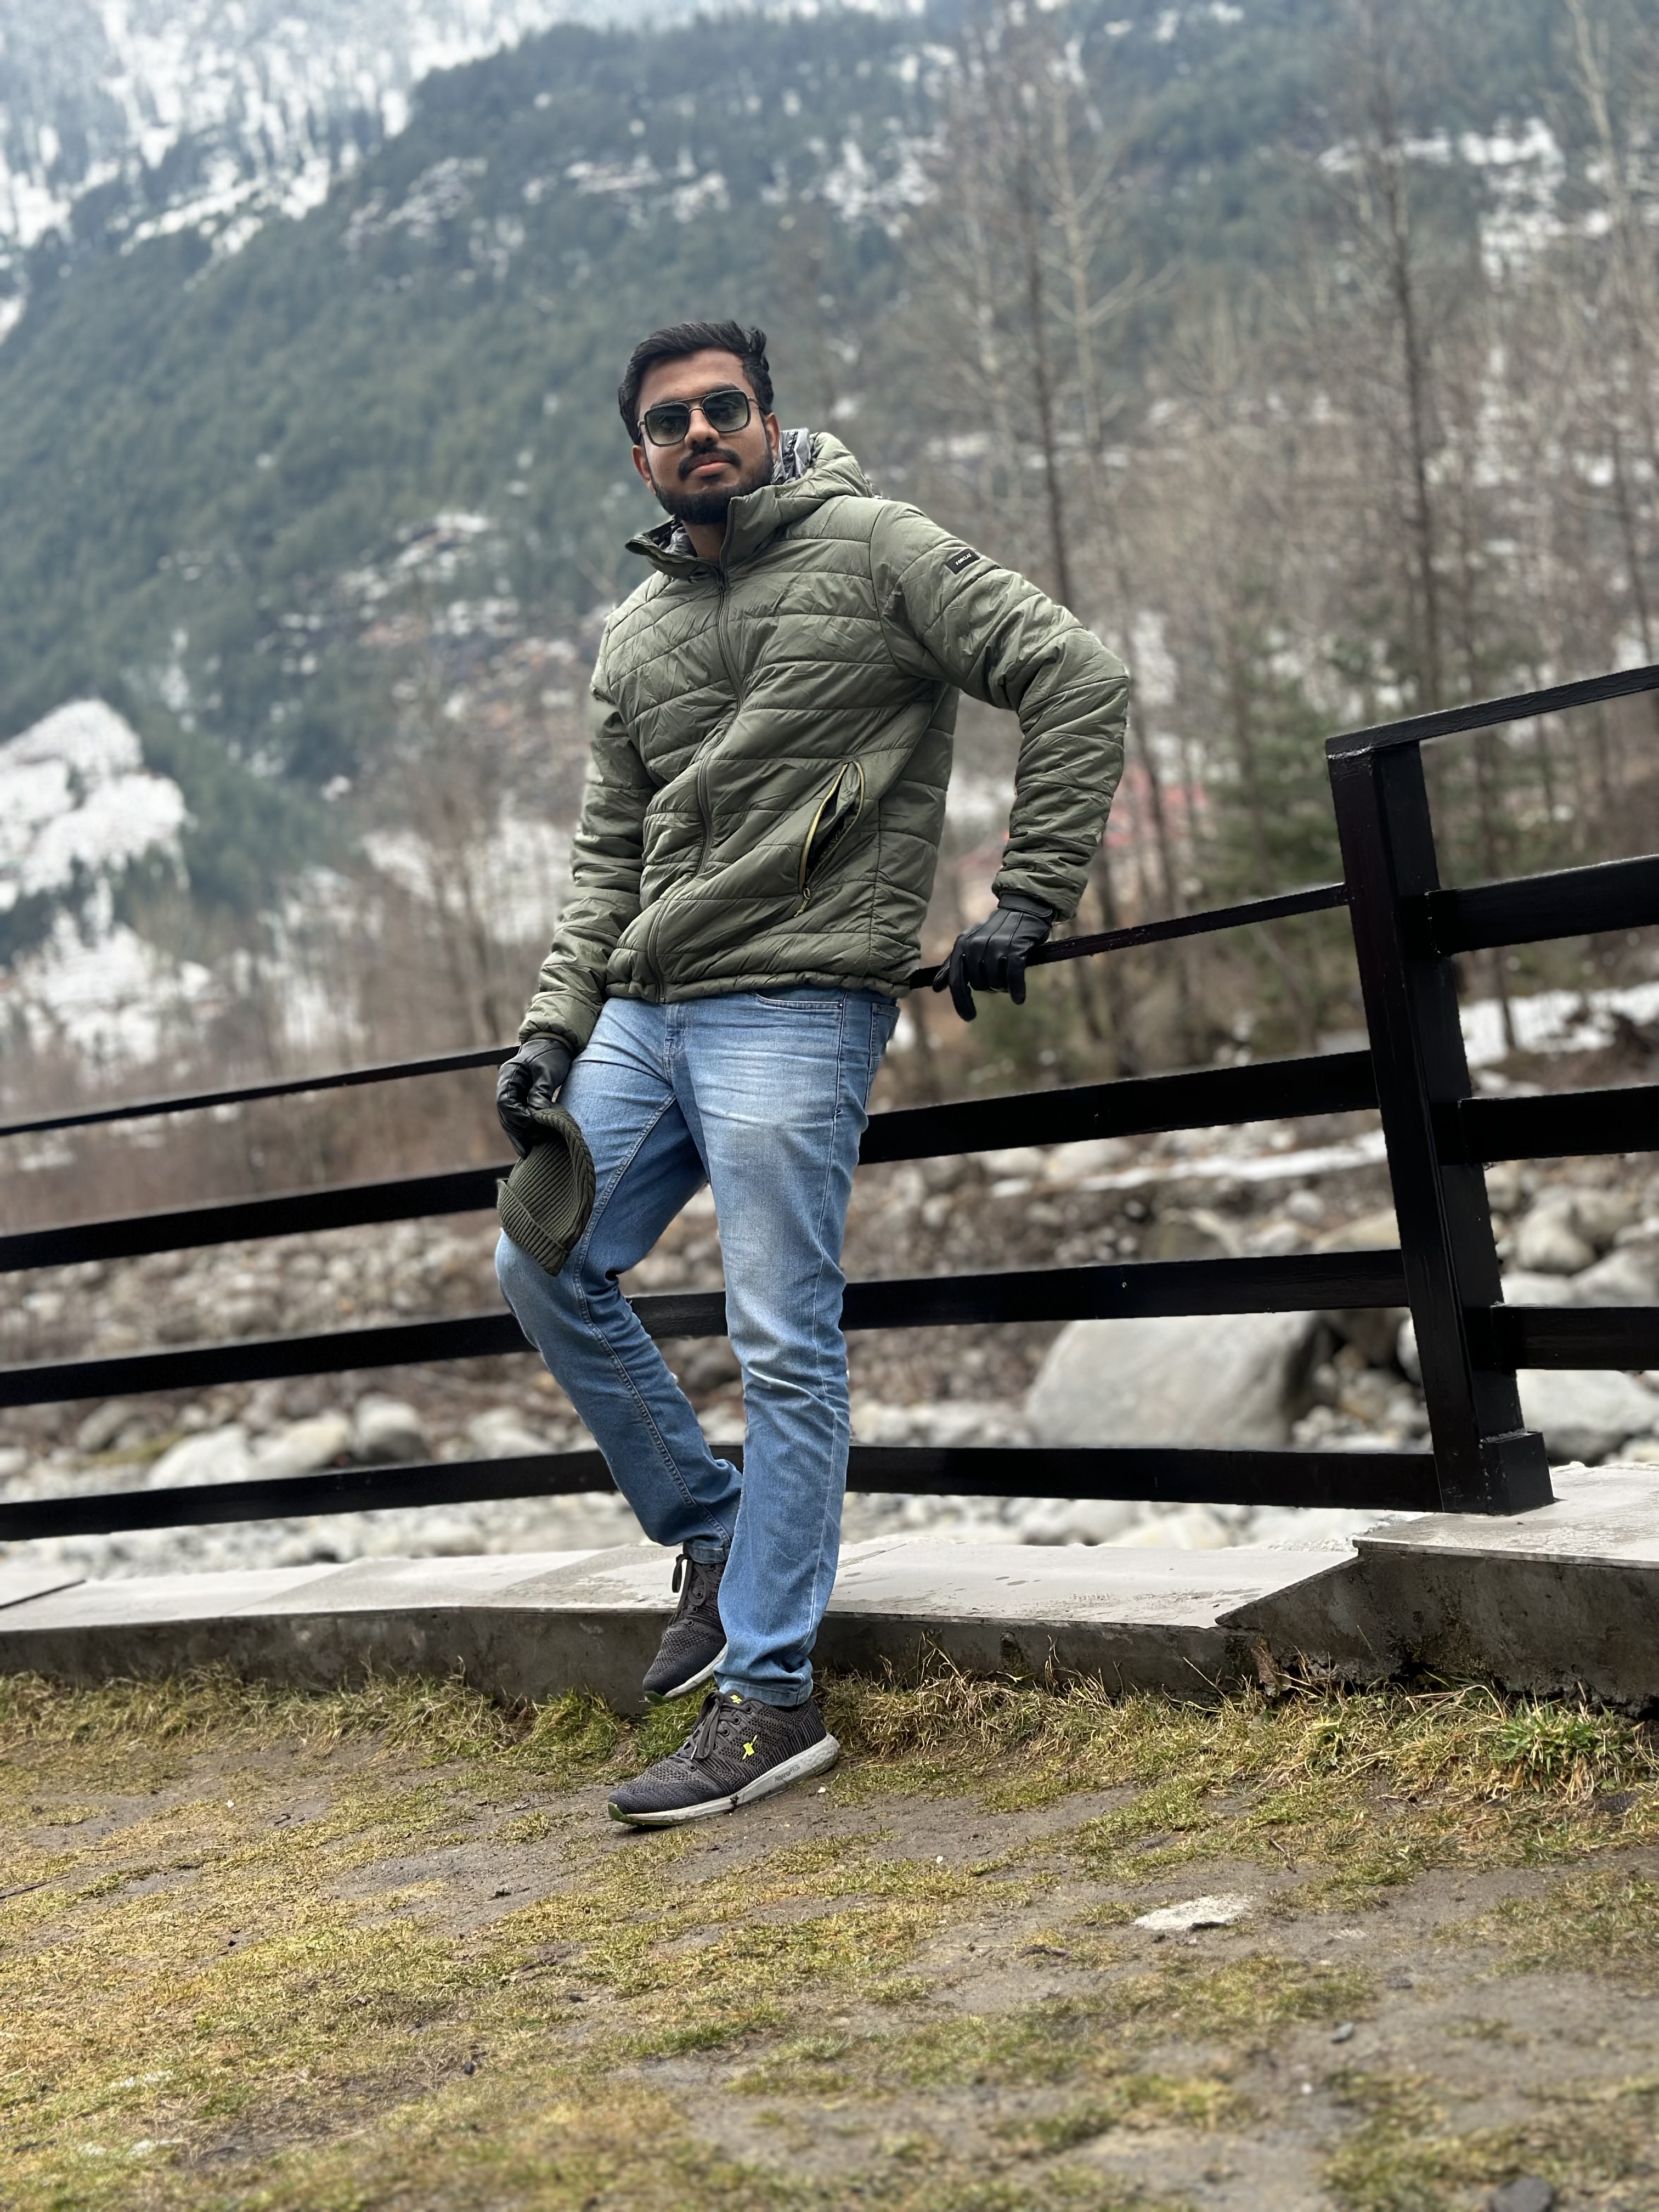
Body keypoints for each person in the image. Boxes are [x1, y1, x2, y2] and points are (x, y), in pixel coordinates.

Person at [495, 319, 1128, 1827]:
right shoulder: (636, 633)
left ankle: (772, 1693)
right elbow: (607, 856)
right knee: (540, 1256)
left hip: (798, 995)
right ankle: (714, 1534)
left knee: (782, 1339)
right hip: (647, 1006)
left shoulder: (879, 549)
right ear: (642, 457)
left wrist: (1031, 894)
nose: (700, 433)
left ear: (769, 420)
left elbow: (1076, 675)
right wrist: (553, 1026)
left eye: (724, 407)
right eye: (670, 421)